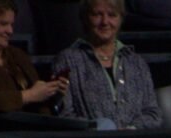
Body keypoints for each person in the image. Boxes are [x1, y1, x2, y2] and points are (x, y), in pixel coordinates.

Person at [55, 0, 162, 129]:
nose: (105, 22)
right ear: (85, 18)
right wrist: (100, 129)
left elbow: (153, 114)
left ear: (121, 19)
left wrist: (130, 130)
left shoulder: (136, 63)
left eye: (112, 15)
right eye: (97, 14)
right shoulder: (68, 60)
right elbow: (65, 115)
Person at [0, 0, 67, 115]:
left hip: (29, 129)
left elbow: (37, 101)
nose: (10, 31)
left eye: (11, 24)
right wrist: (28, 95)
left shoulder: (18, 56)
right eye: (3, 24)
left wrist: (51, 92)